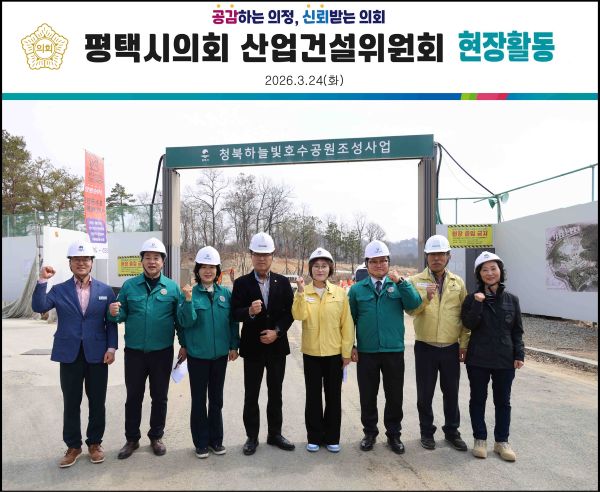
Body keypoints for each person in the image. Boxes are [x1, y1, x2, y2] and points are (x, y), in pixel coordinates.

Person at [31, 240, 117, 468]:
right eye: (77, 260)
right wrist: (42, 281)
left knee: (97, 401)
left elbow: (111, 322)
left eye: (85, 259)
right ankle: (73, 446)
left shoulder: (105, 291)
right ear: (70, 263)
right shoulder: (59, 290)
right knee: (71, 402)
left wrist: (111, 348)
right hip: (69, 353)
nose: (81, 263)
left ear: (91, 263)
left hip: (98, 354)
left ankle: (95, 444)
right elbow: (39, 307)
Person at [108, 237, 186, 459]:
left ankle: (156, 436)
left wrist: (184, 344)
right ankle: (132, 439)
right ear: (141, 261)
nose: (152, 262)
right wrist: (113, 313)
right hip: (134, 353)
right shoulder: (129, 286)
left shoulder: (172, 288)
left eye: (156, 258)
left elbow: (179, 320)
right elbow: (121, 314)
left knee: (159, 397)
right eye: (148, 258)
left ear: (163, 262)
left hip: (162, 352)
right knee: (133, 396)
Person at [348, 240, 422, 455]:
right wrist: (351, 345)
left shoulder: (398, 285)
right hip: (367, 351)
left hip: (393, 351)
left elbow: (414, 304)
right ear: (367, 264)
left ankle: (394, 434)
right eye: (374, 261)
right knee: (367, 395)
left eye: (383, 261)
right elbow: (349, 320)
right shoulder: (357, 290)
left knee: (394, 396)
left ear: (389, 262)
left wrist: (402, 282)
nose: (379, 265)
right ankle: (370, 433)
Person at [231, 232, 295, 456]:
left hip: (277, 348)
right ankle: (252, 437)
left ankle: (275, 434)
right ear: (251, 255)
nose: (261, 258)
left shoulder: (283, 282)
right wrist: (249, 311)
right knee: (252, 394)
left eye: (266, 254)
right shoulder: (241, 283)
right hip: (253, 348)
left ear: (272, 256)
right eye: (257, 254)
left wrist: (277, 332)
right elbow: (234, 312)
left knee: (275, 393)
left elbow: (290, 313)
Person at [406, 235, 469, 452]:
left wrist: (463, 344)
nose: (436, 258)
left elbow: (464, 315)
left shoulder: (457, 282)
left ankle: (452, 431)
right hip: (425, 347)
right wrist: (426, 298)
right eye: (432, 254)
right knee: (425, 394)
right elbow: (411, 310)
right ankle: (426, 432)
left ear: (448, 256)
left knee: (451, 392)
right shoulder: (415, 281)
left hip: (451, 347)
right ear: (426, 257)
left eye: (441, 254)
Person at [461, 251, 524, 462]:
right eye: (484, 270)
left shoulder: (512, 300)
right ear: (479, 274)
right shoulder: (471, 299)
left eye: (493, 269)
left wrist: (519, 354)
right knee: (478, 399)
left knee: (503, 401)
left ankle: (502, 441)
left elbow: (517, 330)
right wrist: (478, 303)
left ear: (500, 271)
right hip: (478, 358)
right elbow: (468, 324)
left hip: (505, 358)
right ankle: (480, 439)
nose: (490, 273)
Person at [177, 246, 240, 459]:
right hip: (198, 356)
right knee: (198, 400)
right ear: (197, 270)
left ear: (217, 270)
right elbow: (185, 322)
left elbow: (233, 322)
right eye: (203, 267)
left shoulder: (225, 294)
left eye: (212, 267)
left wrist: (234, 345)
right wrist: (188, 301)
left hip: (220, 356)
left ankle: (216, 440)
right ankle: (201, 442)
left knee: (216, 400)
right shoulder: (190, 293)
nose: (208, 271)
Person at [292, 248, 354, 453]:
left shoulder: (340, 293)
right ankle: (314, 437)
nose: (320, 270)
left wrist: (346, 352)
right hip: (311, 353)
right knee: (313, 397)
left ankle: (332, 437)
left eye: (324, 266)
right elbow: (298, 315)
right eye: (316, 266)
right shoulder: (304, 292)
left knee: (333, 396)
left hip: (334, 353)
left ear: (330, 269)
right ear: (311, 269)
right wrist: (300, 293)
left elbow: (347, 324)